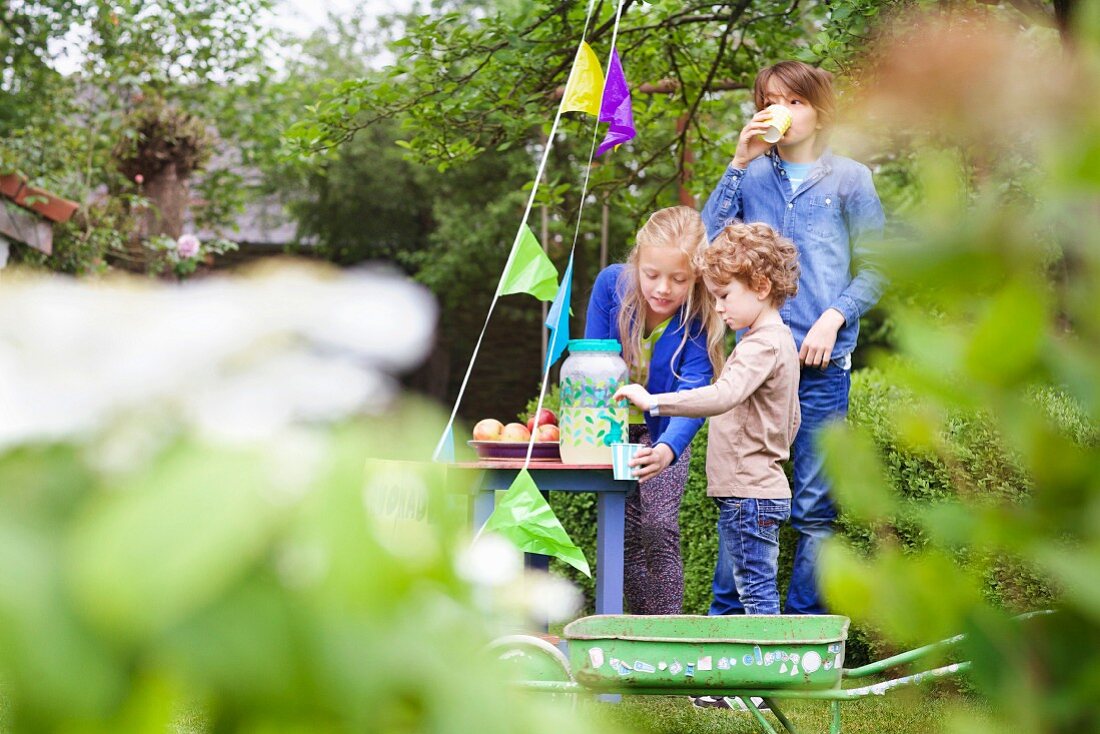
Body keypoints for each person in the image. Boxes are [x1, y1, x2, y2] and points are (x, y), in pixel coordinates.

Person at [701, 60, 886, 615]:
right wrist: (737, 161)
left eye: (796, 101)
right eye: (771, 101)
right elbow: (712, 242)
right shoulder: (751, 176)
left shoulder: (852, 178)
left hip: (825, 367)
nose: (782, 111)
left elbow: (877, 266)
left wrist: (835, 317)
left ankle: (801, 633)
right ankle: (730, 630)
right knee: (741, 498)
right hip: (757, 363)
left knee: (814, 508)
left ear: (819, 110)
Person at [614, 221, 801, 620]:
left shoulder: (761, 346)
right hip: (754, 492)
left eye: (725, 296)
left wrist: (655, 402)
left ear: (762, 287)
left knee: (756, 599)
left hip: (748, 495)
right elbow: (793, 419)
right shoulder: (778, 340)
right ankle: (752, 678)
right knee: (753, 592)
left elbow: (722, 395)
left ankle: (764, 678)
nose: (717, 307)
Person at [585, 205, 725, 615]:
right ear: (637, 263)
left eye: (678, 279)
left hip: (665, 432)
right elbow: (593, 359)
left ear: (695, 275)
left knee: (658, 526)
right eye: (652, 275)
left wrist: (667, 450)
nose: (663, 288)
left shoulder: (700, 315)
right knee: (622, 533)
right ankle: (642, 629)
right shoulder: (611, 286)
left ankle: (668, 627)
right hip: (613, 430)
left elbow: (696, 392)